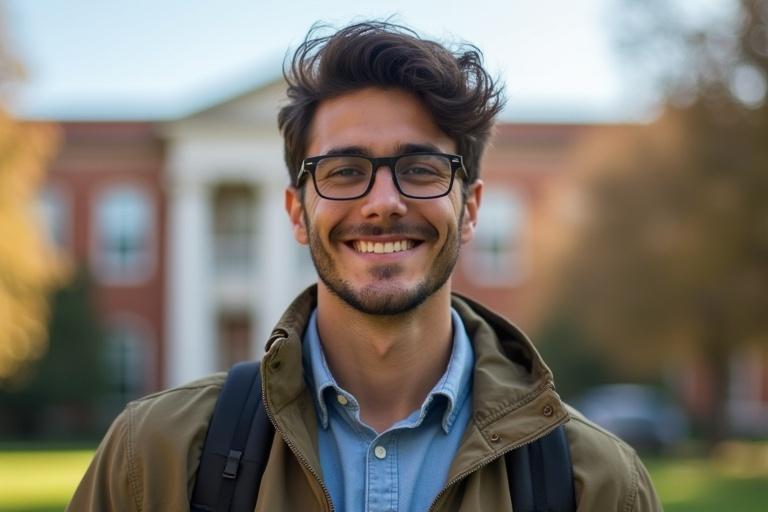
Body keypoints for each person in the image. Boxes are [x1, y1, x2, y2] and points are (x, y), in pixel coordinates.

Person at [69, 21, 661, 511]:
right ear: (297, 212)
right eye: (345, 171)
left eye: (423, 169)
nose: (383, 203)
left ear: (471, 209)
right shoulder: (152, 460)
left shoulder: (598, 484)